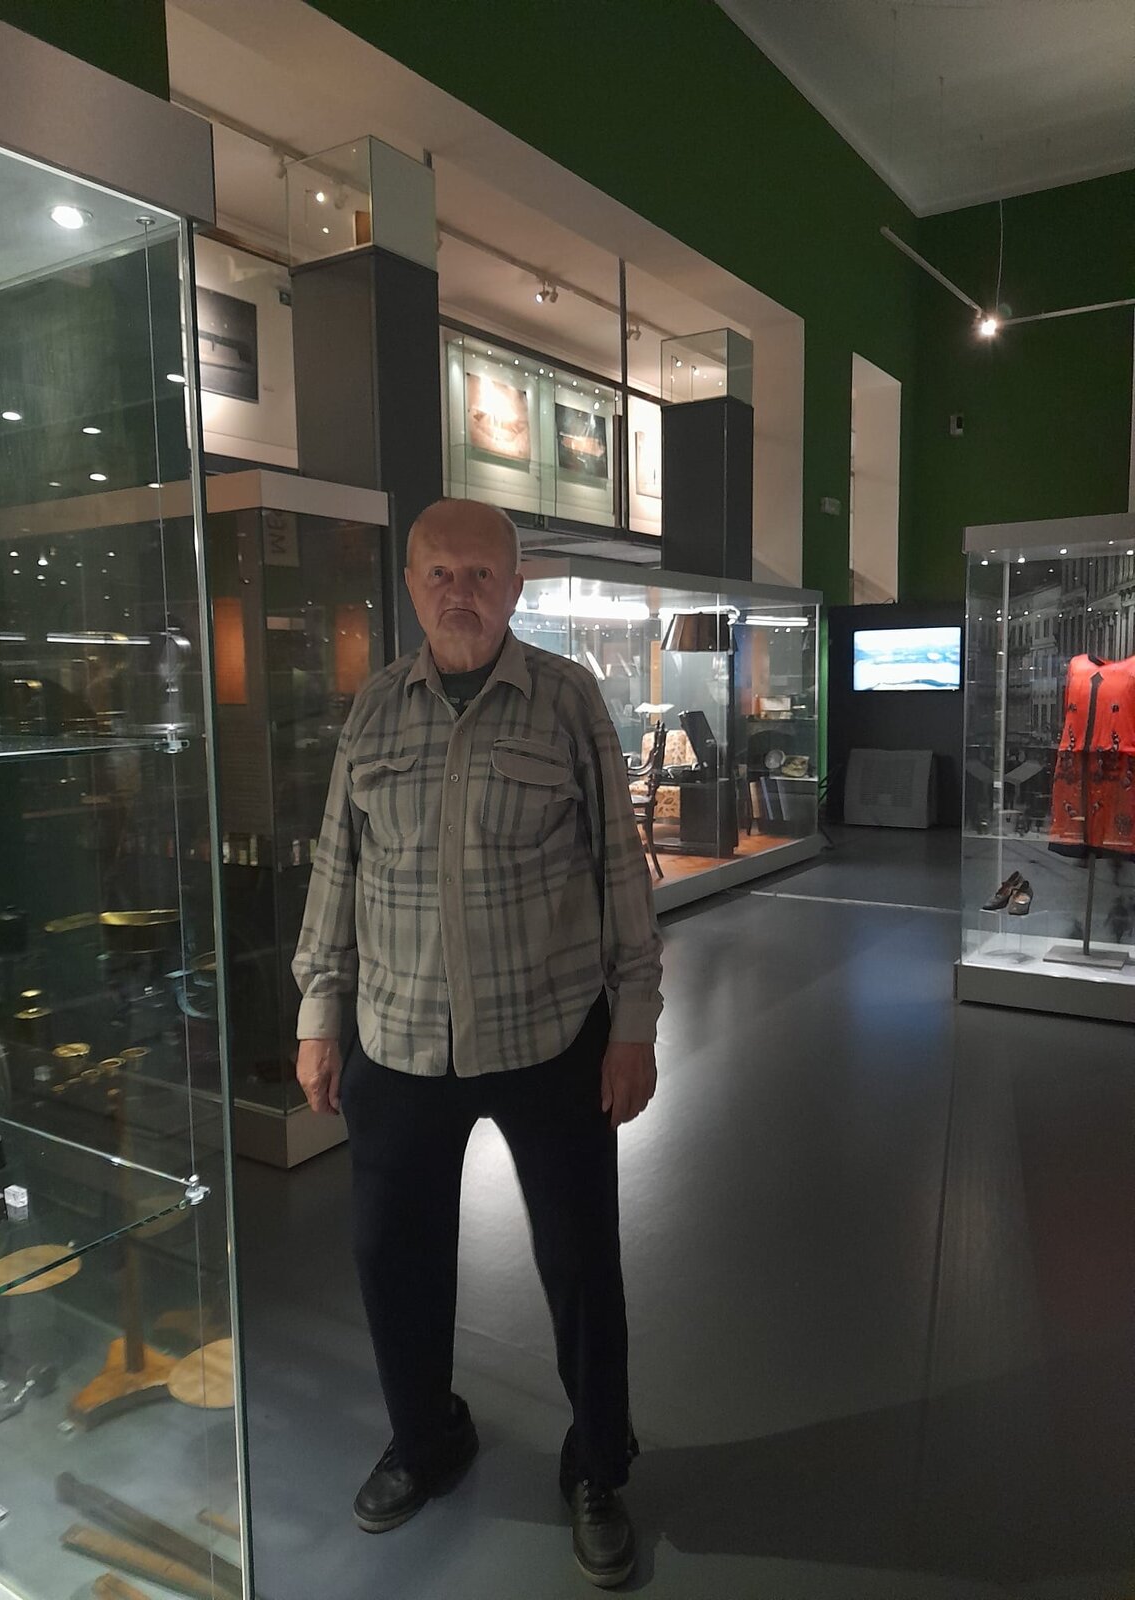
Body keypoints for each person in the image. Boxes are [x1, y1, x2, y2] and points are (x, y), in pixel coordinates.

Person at [294, 497, 662, 1588]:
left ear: (516, 586)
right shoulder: (375, 709)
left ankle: (599, 1462)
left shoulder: (567, 700)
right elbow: (336, 866)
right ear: (411, 585)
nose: (460, 592)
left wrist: (633, 1022)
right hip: (398, 1036)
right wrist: (319, 1013)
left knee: (581, 1262)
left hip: (549, 1031)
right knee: (390, 1257)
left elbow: (620, 868)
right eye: (439, 574)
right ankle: (425, 1439)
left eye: (481, 574)